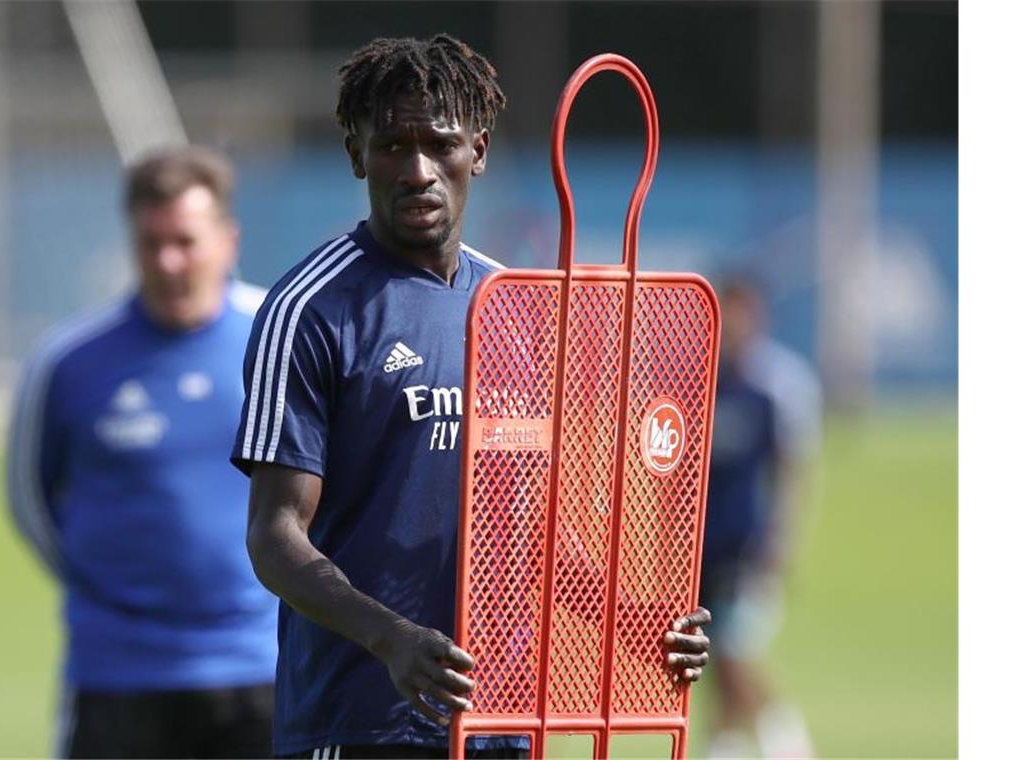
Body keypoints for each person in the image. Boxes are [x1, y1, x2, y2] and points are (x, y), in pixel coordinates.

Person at [231, 35, 711, 759]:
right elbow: (274, 536)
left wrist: (639, 627)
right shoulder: (311, 308)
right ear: (358, 155)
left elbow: (532, 534)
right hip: (360, 722)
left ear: (478, 151)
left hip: (498, 716)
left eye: (441, 144)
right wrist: (389, 638)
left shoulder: (515, 305)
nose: (418, 170)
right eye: (392, 145)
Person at [6, 146, 280, 758]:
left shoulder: (283, 340)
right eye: (150, 242)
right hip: (118, 675)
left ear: (228, 240)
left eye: (185, 240)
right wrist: (116, 589)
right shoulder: (68, 360)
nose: (168, 261)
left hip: (267, 666)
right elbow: (31, 503)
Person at [700, 276, 820, 758]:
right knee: (711, 661)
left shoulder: (775, 385)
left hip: (747, 548)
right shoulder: (702, 383)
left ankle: (790, 745)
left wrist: (781, 540)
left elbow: (792, 469)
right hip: (702, 548)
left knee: (734, 651)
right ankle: (724, 749)